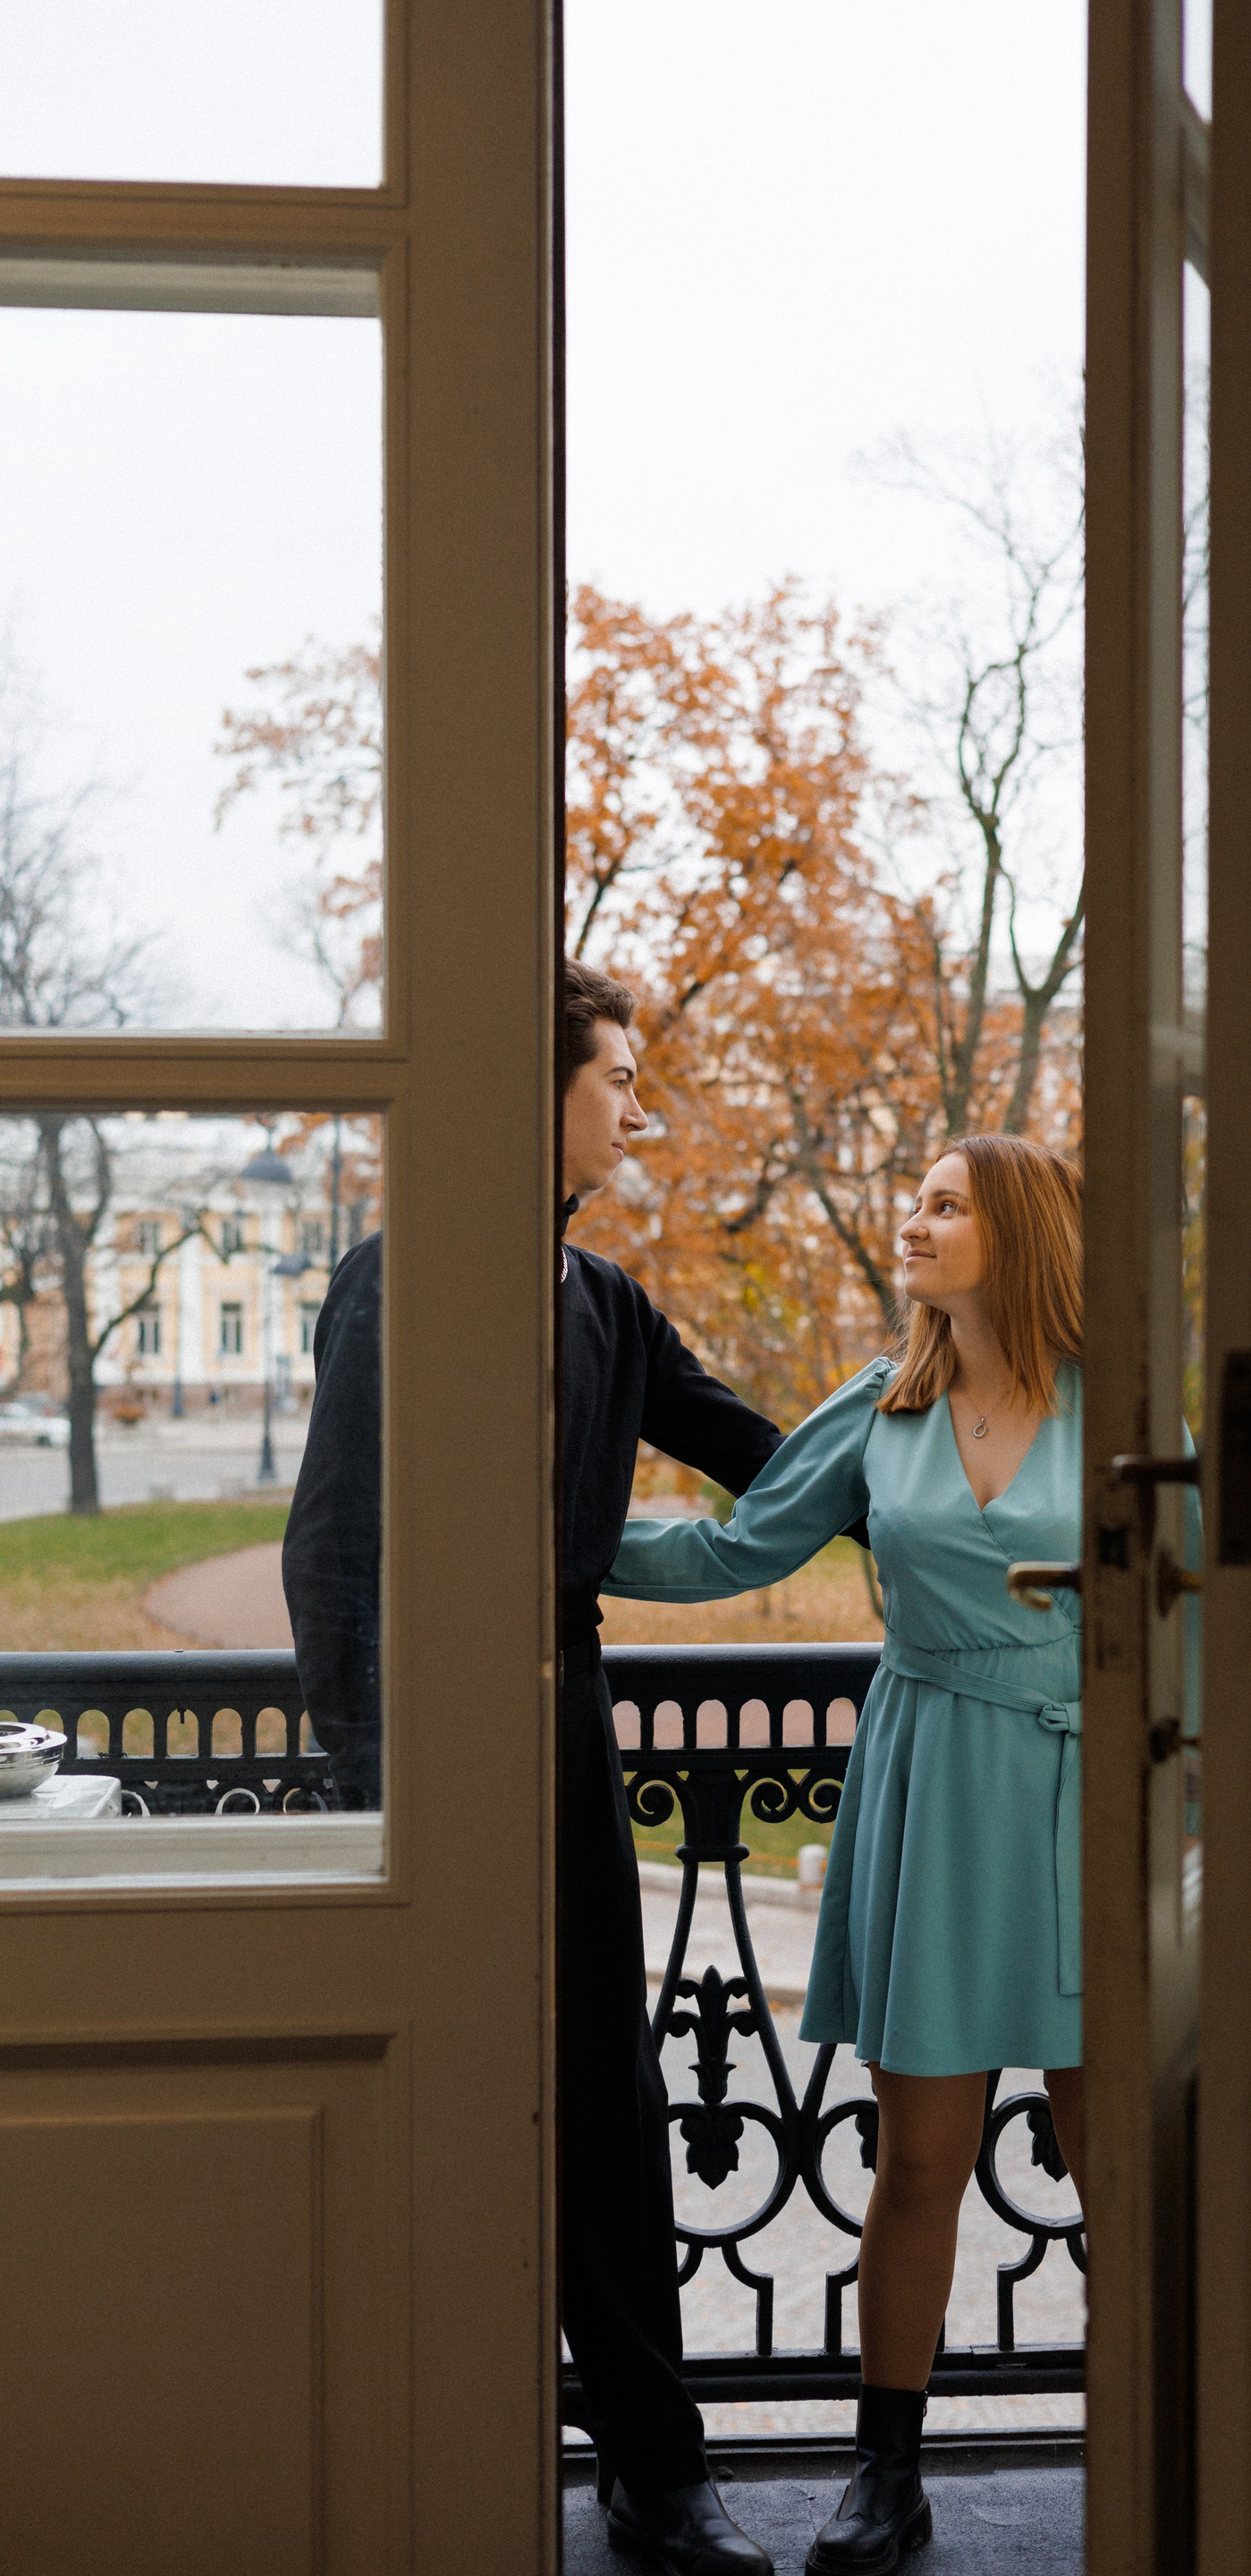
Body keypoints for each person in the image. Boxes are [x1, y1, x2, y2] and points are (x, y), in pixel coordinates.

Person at [283, 962, 782, 2576]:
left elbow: (762, 1454)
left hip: (566, 1736)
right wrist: (383, 1785)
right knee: (440, 2094)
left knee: (612, 2101)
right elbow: (329, 1557)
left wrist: (942, 1456)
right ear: (537, 1088)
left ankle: (656, 2473)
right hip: (429, 1755)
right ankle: (408, 2460)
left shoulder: (609, 1302)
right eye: (617, 1077)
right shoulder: (395, 1276)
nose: (640, 1108)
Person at [604, 1133, 1085, 2576]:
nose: (911, 1221)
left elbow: (1204, 1603)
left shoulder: (1124, 1406)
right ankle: (889, 2475)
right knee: (921, 2158)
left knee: (1115, 2157)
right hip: (932, 1788)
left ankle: (1171, 2442)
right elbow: (735, 1550)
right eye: (913, 1200)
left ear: (1021, 1231)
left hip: (1086, 1797)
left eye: (944, 1204)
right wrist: (564, 1535)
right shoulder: (882, 1407)